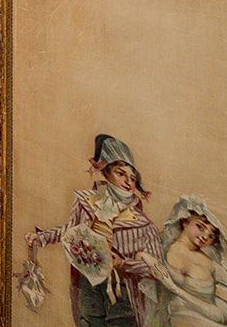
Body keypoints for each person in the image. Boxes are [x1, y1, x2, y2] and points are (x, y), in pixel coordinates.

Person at [26, 134, 160, 326]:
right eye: (120, 173)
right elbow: (69, 230)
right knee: (88, 321)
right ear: (106, 172)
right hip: (88, 281)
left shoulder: (143, 224)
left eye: (132, 178)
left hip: (121, 287)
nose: (128, 182)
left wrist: (123, 264)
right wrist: (41, 237)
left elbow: (157, 267)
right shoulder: (86, 202)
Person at [139, 197, 227, 327]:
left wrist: (174, 289)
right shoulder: (160, 247)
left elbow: (223, 316)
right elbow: (135, 262)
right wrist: (144, 256)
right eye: (200, 227)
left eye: (211, 235)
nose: (205, 236)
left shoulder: (215, 267)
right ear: (185, 222)